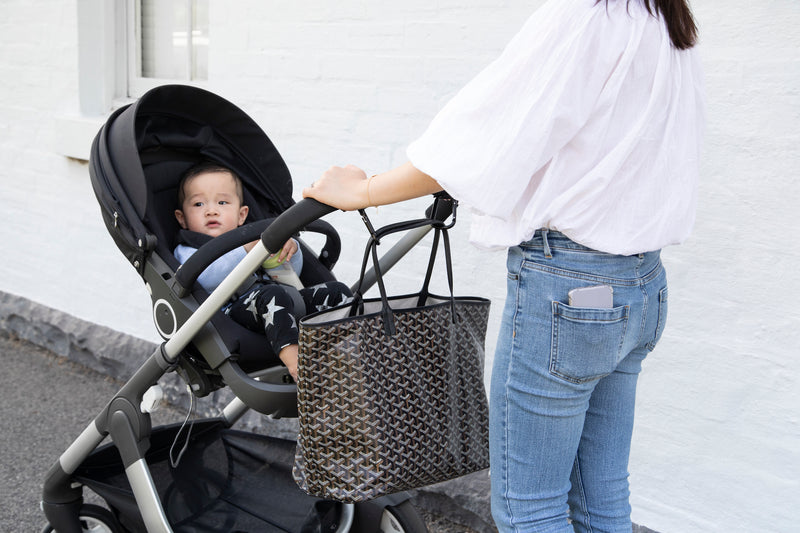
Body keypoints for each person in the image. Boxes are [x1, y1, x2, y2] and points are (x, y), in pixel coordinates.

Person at [303, 0, 704, 531]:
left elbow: (491, 134)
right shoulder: (666, 21)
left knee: (529, 510)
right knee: (602, 498)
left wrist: (367, 191)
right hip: (639, 287)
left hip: (569, 291)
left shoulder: (585, 16)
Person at [174, 161, 352, 380]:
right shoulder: (188, 248)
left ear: (242, 215)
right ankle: (299, 368)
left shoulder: (253, 238)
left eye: (222, 202)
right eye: (199, 204)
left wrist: (290, 251)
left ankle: (347, 355)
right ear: (181, 218)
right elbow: (204, 278)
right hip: (229, 315)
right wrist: (247, 250)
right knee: (271, 296)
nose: (211, 211)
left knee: (337, 291)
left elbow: (288, 274)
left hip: (280, 302)